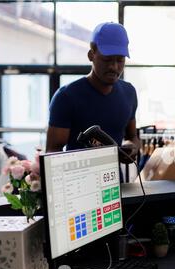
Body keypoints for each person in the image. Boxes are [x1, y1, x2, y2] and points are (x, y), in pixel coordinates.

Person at [46, 22, 140, 163]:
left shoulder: (129, 92)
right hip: (77, 182)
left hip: (116, 183)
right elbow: (52, 153)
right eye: (107, 60)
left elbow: (132, 136)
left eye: (120, 60)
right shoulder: (66, 97)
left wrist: (131, 147)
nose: (114, 67)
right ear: (91, 55)